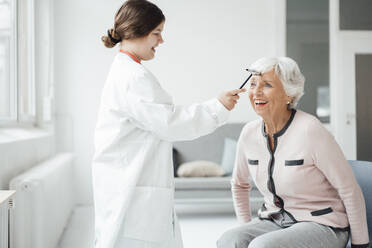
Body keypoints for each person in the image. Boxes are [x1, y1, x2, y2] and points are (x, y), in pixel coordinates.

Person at [92, 1, 245, 248]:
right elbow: (171, 123)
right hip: (132, 188)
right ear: (136, 30)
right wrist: (218, 106)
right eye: (157, 33)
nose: (161, 41)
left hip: (126, 183)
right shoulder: (133, 77)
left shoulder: (126, 70)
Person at [217, 57, 370, 248]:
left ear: (288, 94)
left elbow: (349, 189)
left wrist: (360, 244)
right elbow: (239, 184)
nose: (256, 91)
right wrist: (245, 227)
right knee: (230, 241)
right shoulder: (248, 133)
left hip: (323, 224)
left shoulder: (310, 130)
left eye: (267, 85)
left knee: (263, 246)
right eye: (254, 83)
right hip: (275, 221)